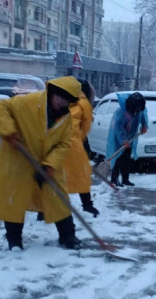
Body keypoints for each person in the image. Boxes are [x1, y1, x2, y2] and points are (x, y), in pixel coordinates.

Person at [0, 76, 83, 251]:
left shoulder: (65, 118)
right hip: (19, 159)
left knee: (59, 199)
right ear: (53, 92)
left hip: (46, 162)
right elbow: (2, 107)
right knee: (14, 201)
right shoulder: (29, 102)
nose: (63, 102)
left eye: (67, 100)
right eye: (60, 97)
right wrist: (8, 130)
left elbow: (64, 144)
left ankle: (68, 236)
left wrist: (49, 164)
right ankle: (14, 241)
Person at [63, 79, 99, 217]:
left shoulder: (69, 100)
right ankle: (87, 205)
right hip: (71, 143)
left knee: (56, 177)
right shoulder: (84, 104)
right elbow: (84, 128)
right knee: (81, 176)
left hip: (58, 140)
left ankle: (42, 211)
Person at [106, 92, 148, 187]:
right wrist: (123, 140)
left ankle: (125, 179)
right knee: (118, 158)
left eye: (139, 107)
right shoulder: (122, 113)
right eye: (136, 107)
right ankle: (114, 179)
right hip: (118, 136)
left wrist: (144, 126)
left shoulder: (140, 109)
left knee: (127, 158)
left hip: (131, 135)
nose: (138, 110)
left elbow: (143, 116)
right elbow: (118, 127)